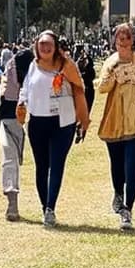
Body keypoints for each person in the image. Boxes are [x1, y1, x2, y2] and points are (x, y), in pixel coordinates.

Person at [18, 30, 90, 226]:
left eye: (49, 44)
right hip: (38, 122)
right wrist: (21, 103)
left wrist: (82, 117)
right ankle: (44, 206)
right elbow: (25, 89)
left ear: (56, 47)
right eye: (42, 44)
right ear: (36, 47)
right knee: (42, 167)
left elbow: (80, 87)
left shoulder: (66, 66)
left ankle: (50, 208)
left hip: (62, 123)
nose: (45, 48)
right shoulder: (33, 66)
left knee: (57, 165)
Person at [96, 23, 135, 230]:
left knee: (133, 166)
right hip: (115, 121)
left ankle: (128, 209)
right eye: (120, 39)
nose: (124, 42)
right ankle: (118, 193)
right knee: (117, 166)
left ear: (132, 40)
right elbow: (102, 87)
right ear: (115, 41)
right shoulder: (110, 62)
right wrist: (114, 74)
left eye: (127, 38)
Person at [0, 45, 35, 220]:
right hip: (11, 120)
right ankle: (12, 202)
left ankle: (14, 202)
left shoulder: (10, 73)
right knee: (11, 160)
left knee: (11, 160)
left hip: (25, 120)